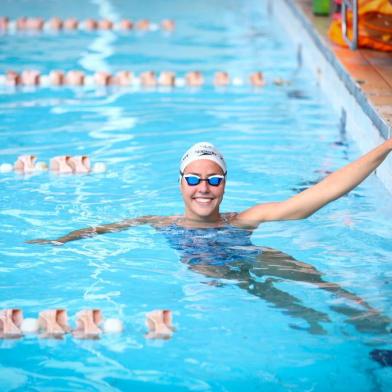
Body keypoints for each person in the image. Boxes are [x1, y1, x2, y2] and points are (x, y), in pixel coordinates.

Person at [28, 141, 392, 335]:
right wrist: (59, 242)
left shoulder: (245, 219)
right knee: (258, 288)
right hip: (210, 275)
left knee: (306, 274)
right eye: (194, 179)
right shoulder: (159, 222)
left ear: (224, 184)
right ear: (181, 183)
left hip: (245, 257)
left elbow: (320, 195)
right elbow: (101, 230)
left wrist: (386, 144)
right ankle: (308, 317)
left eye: (214, 180)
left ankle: (370, 323)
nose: (204, 188)